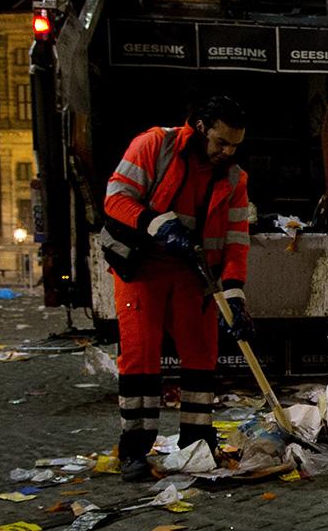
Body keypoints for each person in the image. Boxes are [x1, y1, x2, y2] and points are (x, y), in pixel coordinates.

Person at [100, 96, 254, 482]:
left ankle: (196, 443)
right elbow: (116, 198)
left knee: (202, 355)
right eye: (221, 142)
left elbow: (236, 241)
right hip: (144, 268)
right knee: (140, 357)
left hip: (194, 275)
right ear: (201, 128)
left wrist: (234, 296)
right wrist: (156, 223)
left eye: (235, 145)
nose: (227, 151)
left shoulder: (235, 178)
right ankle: (134, 450)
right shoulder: (154, 145)